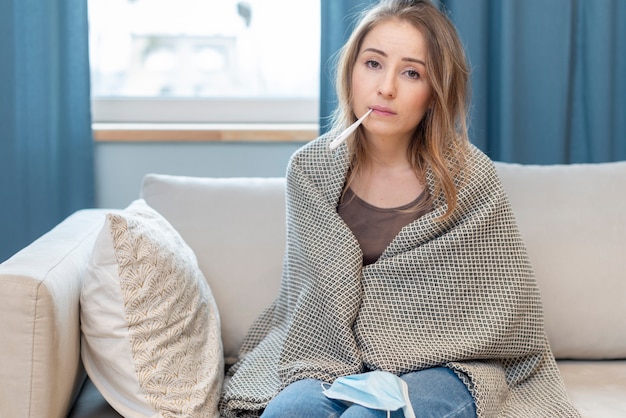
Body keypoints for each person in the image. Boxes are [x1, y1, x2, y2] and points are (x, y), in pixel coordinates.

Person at [220, 1, 580, 417]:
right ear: (350, 72)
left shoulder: (470, 177)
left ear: (434, 95)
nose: (386, 87)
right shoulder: (310, 170)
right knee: (290, 413)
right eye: (373, 64)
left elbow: (501, 309)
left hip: (446, 365)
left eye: (411, 73)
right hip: (331, 356)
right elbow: (314, 298)